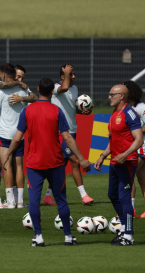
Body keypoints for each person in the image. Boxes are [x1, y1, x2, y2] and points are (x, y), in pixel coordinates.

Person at [1, 78, 91, 246]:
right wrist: (81, 158)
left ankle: (39, 237)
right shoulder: (57, 110)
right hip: (55, 162)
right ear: (52, 92)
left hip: (35, 164)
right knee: (61, 200)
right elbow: (67, 137)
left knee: (34, 202)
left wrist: (7, 155)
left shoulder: (27, 111)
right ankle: (68, 237)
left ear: (38, 89)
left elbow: (17, 137)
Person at [94, 84, 143, 246]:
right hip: (115, 161)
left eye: (112, 94)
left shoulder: (130, 113)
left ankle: (128, 235)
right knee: (112, 195)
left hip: (127, 162)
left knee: (124, 197)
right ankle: (123, 228)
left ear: (122, 96)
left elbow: (139, 139)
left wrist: (125, 154)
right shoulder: (115, 113)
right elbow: (113, 140)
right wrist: (102, 156)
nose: (109, 97)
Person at [43, 64, 95, 206]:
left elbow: (71, 108)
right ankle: (84, 196)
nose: (74, 76)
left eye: (73, 73)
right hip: (60, 133)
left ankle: (47, 196)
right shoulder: (56, 88)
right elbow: (64, 88)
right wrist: (66, 72)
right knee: (76, 162)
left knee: (61, 166)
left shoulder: (74, 88)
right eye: (70, 74)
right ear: (63, 76)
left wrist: (83, 112)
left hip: (72, 131)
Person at [0, 63, 29, 209]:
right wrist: (22, 87)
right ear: (14, 75)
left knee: (5, 165)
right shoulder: (17, 89)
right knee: (18, 167)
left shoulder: (1, 90)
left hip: (2, 133)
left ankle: (10, 201)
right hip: (19, 133)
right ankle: (18, 201)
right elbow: (32, 98)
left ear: (2, 74)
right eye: (18, 76)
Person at [124, 80, 145, 219]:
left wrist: (135, 131)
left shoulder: (141, 107)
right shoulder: (129, 107)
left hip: (143, 147)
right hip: (139, 147)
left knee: (128, 176)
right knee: (142, 179)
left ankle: (130, 210)